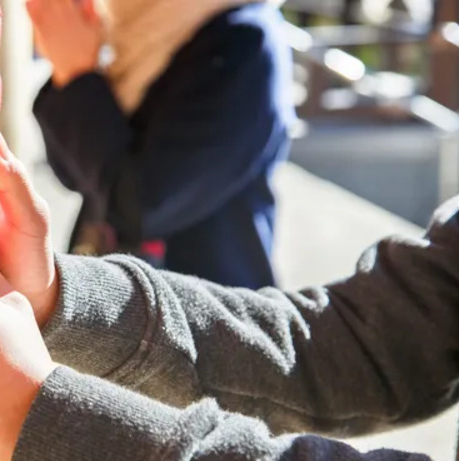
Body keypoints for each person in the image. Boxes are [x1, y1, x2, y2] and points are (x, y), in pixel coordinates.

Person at [0, 114, 459, 461]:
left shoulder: (241, 48)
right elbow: (351, 345)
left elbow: (140, 193)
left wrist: (39, 420)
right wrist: (57, 298)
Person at [26, 0, 295, 288]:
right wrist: (71, 70)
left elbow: (143, 207)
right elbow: (79, 176)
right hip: (120, 300)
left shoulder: (244, 43)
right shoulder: (142, 35)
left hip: (203, 314)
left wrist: (78, 75)